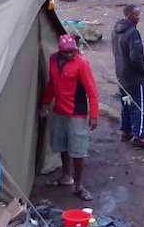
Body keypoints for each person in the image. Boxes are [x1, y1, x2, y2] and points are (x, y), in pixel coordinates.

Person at [39, 34, 100, 201]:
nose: (70, 54)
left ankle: (78, 185)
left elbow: (92, 91)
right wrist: (44, 102)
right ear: (60, 51)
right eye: (66, 52)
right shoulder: (53, 60)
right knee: (62, 144)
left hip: (76, 113)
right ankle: (66, 176)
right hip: (60, 110)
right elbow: (52, 84)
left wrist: (94, 115)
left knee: (78, 149)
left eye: (73, 51)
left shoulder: (81, 63)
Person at [112, 4, 144, 149]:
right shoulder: (132, 33)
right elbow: (136, 57)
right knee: (138, 106)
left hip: (121, 74)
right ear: (130, 15)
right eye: (137, 14)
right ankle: (139, 135)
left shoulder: (115, 30)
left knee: (126, 103)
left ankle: (125, 131)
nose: (139, 17)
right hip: (134, 77)